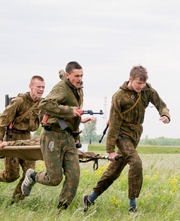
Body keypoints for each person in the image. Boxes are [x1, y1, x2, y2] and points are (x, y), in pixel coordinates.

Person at [83, 65, 171, 213]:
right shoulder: (119, 96)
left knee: (114, 170)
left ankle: (90, 198)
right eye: (138, 83)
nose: (141, 86)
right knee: (136, 163)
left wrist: (165, 115)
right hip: (121, 134)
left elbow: (161, 104)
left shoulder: (147, 90)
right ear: (130, 79)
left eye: (143, 84)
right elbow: (114, 124)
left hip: (135, 134)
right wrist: (110, 150)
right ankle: (132, 206)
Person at [21, 62, 84, 213]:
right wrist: (69, 110)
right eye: (76, 76)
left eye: (81, 75)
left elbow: (74, 116)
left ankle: (61, 210)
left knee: (74, 177)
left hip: (68, 136)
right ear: (68, 75)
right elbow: (44, 104)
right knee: (54, 178)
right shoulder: (61, 88)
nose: (80, 79)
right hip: (52, 136)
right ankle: (33, 176)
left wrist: (76, 136)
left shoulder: (78, 89)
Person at [0, 75, 45, 202]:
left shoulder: (42, 104)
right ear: (30, 87)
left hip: (27, 140)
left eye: (43, 87)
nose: (41, 90)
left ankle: (15, 202)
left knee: (29, 173)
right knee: (11, 176)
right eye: (38, 87)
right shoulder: (19, 102)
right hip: (11, 138)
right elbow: (2, 120)